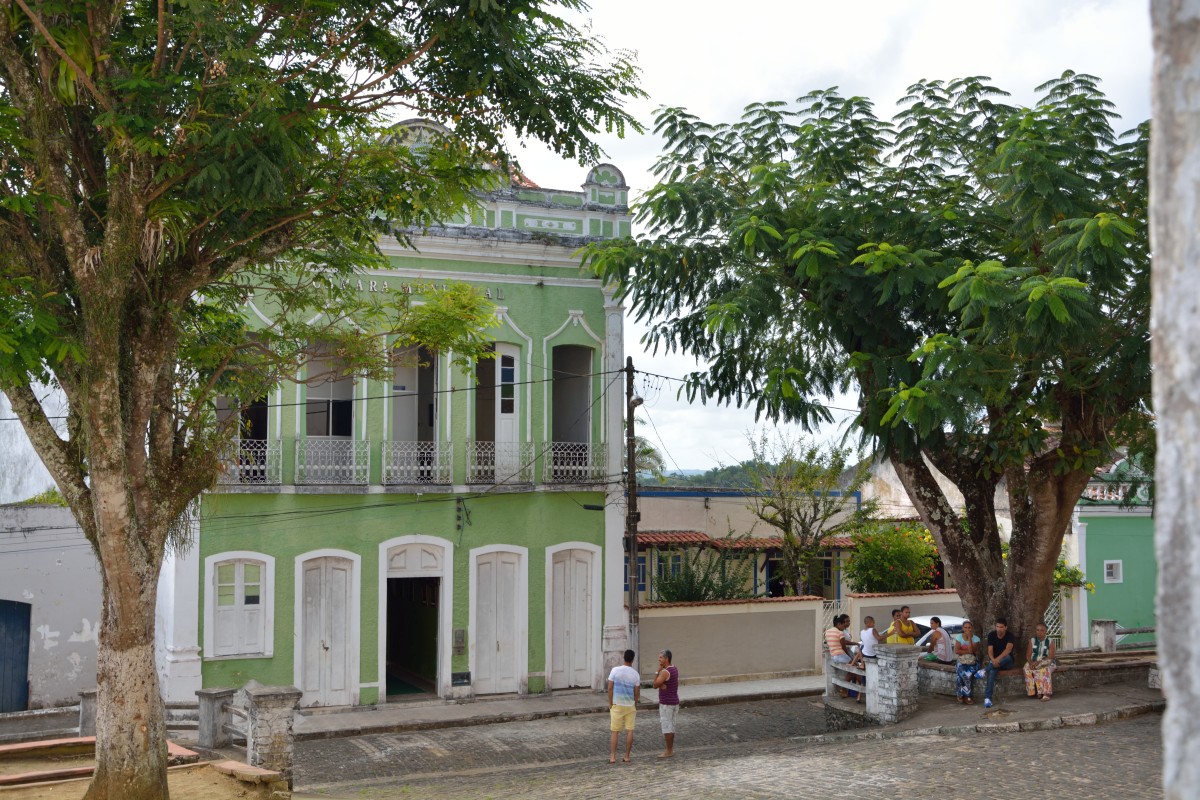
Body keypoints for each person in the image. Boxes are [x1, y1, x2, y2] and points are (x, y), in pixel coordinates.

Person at [607, 649, 640, 763]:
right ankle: (627, 756)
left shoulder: (615, 670)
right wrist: (635, 703)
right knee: (630, 730)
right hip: (630, 705)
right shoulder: (635, 674)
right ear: (633, 659)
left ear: (623, 657)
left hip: (617, 704)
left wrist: (610, 703)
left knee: (615, 731)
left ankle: (612, 757)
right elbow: (636, 693)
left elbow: (610, 688)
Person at [979, 617, 1016, 708]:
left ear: (1006, 628)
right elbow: (990, 650)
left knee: (1007, 657)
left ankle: (984, 670)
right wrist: (993, 660)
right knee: (992, 672)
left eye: (1001, 627)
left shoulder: (1010, 636)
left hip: (1007, 662)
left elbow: (1007, 651)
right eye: (997, 627)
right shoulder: (991, 635)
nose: (999, 629)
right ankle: (988, 698)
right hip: (995, 663)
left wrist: (996, 660)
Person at [652, 649, 680, 758]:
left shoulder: (665, 672)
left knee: (667, 727)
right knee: (671, 726)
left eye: (661, 657)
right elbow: (662, 684)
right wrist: (661, 684)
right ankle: (670, 749)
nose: (659, 659)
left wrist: (657, 672)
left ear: (666, 659)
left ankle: (668, 751)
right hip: (674, 702)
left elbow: (654, 685)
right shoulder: (674, 668)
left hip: (667, 704)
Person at [1024, 622, 1056, 701]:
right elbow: (1028, 655)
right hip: (1033, 661)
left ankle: (1046, 693)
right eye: (1037, 630)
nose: (1039, 632)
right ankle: (1032, 692)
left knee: (1043, 670)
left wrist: (1038, 662)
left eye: (1042, 630)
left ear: (1045, 631)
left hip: (1047, 662)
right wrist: (1031, 663)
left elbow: (1051, 656)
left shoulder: (1050, 641)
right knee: (1026, 668)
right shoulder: (1032, 640)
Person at [824, 614, 854, 697]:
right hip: (841, 655)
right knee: (854, 667)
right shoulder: (840, 633)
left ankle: (845, 689)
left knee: (853, 668)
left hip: (833, 656)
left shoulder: (827, 632)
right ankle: (843, 688)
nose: (844, 627)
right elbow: (843, 647)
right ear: (839, 624)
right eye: (843, 625)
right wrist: (849, 657)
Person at [953, 620, 981, 704]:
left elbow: (972, 651)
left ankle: (963, 695)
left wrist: (969, 639)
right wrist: (968, 651)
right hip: (961, 660)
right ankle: (966, 695)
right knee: (962, 674)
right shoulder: (959, 637)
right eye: (965, 627)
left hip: (972, 661)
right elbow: (957, 651)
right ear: (963, 628)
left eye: (969, 627)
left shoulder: (976, 639)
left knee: (968, 674)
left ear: (972, 628)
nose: (967, 629)